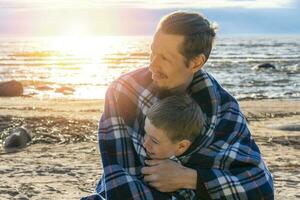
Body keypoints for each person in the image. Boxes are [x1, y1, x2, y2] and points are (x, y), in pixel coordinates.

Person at [82, 11, 274, 199]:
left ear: (196, 62)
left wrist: (190, 178)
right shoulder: (124, 92)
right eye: (153, 53)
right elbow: (119, 176)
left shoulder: (224, 108)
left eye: (164, 58)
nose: (152, 66)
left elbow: (260, 185)